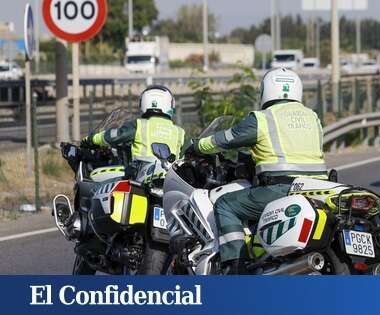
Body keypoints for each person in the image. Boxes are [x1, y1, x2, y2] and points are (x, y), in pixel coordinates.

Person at [190, 68, 327, 274]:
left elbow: (227, 138)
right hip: (319, 188)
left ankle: (235, 265)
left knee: (225, 205)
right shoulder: (313, 117)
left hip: (282, 188)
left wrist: (197, 146)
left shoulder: (263, 118)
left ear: (265, 91)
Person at [81, 85, 186, 165]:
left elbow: (116, 135)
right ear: (169, 105)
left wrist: (92, 140)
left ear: (143, 103)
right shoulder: (179, 132)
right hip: (169, 181)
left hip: (142, 178)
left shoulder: (139, 125)